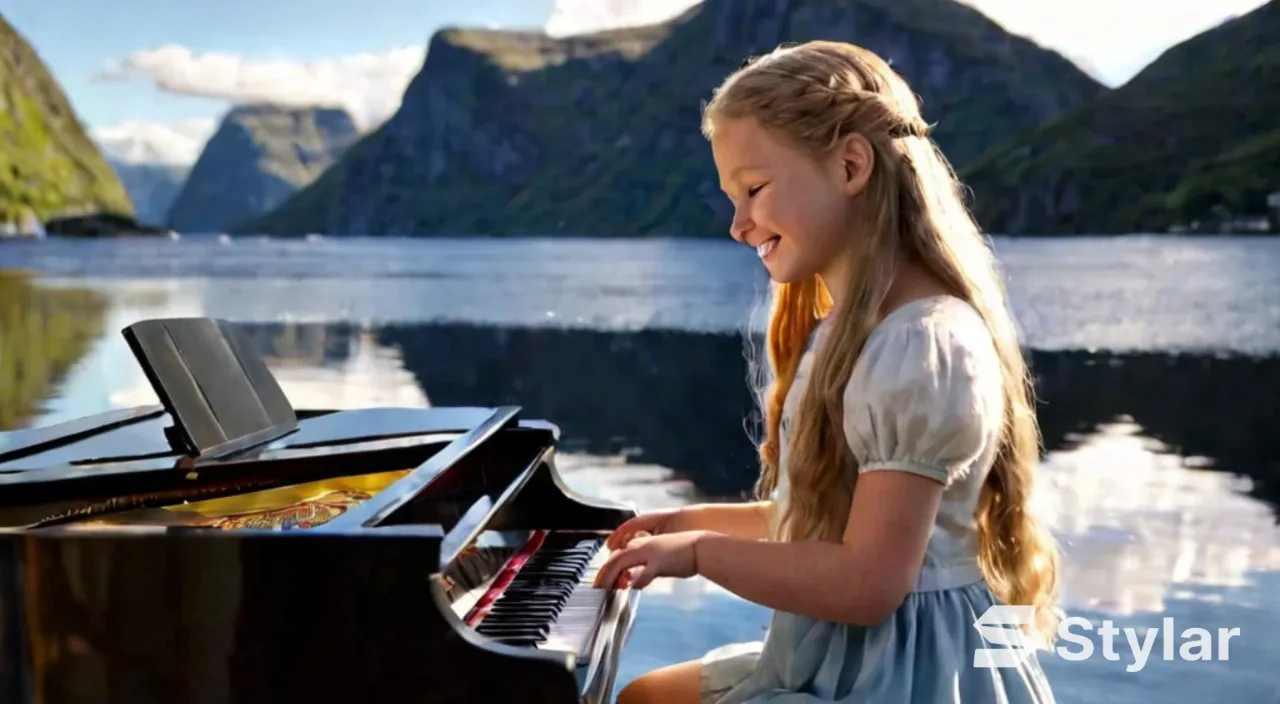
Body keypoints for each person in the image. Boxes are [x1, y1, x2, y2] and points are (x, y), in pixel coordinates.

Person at [592, 40, 1061, 703]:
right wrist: (685, 522)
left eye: (753, 189)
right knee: (646, 695)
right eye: (733, 198)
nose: (738, 225)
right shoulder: (861, 330)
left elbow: (867, 584)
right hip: (866, 652)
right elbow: (826, 521)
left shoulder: (923, 346)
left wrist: (698, 554)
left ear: (850, 164)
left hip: (904, 674)